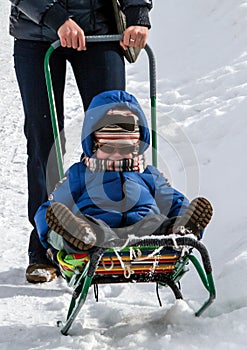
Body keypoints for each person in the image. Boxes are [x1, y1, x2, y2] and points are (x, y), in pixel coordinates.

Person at [9, 0, 153, 283]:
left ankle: (114, 230)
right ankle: (45, 246)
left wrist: (137, 14)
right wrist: (56, 17)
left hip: (99, 29)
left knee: (115, 133)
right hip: (36, 32)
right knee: (44, 140)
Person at [34, 90, 213, 258]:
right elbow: (49, 209)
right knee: (88, 227)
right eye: (108, 148)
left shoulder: (148, 175)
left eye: (125, 148)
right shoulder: (80, 174)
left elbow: (175, 202)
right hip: (99, 235)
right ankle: (81, 235)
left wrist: (183, 217)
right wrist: (53, 228)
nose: (116, 155)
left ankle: (181, 232)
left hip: (147, 235)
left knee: (159, 222)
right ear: (93, 145)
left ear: (136, 148)